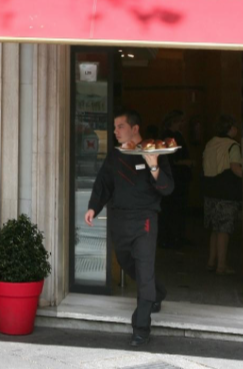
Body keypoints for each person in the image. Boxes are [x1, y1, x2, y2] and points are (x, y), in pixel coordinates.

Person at [85, 109, 174, 347]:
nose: (115, 132)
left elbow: (167, 188)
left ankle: (141, 327)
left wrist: (153, 166)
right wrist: (94, 207)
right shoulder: (115, 155)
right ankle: (158, 292)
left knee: (144, 271)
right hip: (119, 220)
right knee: (126, 262)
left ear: (135, 128)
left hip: (144, 219)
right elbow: (103, 182)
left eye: (119, 127)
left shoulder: (156, 151)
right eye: (114, 128)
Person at [202, 114, 243, 275]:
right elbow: (236, 169)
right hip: (226, 192)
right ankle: (221, 265)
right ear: (230, 128)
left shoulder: (210, 143)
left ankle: (211, 261)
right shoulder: (232, 145)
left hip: (210, 190)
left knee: (214, 228)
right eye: (235, 126)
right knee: (224, 229)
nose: (236, 129)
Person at [158, 110, 191, 249]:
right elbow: (173, 159)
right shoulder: (172, 137)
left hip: (172, 176)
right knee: (173, 208)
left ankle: (171, 237)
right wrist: (186, 162)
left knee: (171, 208)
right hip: (176, 176)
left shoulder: (168, 136)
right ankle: (172, 237)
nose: (182, 124)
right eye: (180, 121)